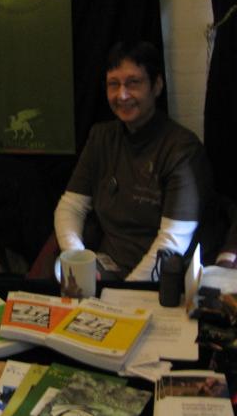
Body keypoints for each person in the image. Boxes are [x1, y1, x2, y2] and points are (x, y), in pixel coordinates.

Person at [54, 41, 211, 280]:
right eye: (113, 84)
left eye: (133, 83)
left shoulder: (182, 149)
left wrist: (126, 291)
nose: (122, 95)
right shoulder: (101, 137)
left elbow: (172, 241)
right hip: (104, 269)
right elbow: (71, 207)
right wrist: (79, 260)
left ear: (156, 86)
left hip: (157, 279)